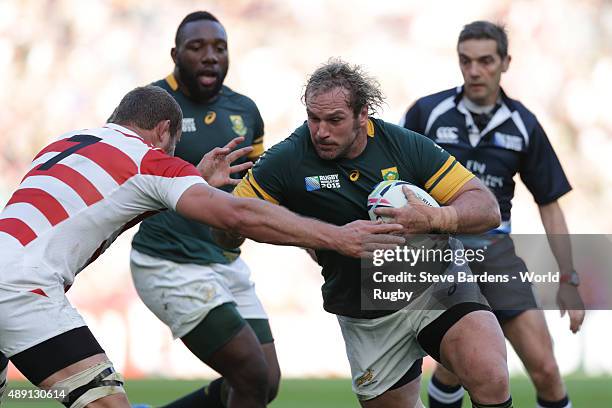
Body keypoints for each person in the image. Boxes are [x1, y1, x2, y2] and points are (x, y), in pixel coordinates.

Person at [0, 85, 405, 408]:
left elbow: (113, 202)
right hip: (21, 289)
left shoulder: (64, 144)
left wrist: (192, 180)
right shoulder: (151, 160)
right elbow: (240, 216)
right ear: (164, 131)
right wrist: (338, 237)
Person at [231, 59, 515, 408]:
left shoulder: (403, 145)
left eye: (334, 120)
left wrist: (435, 218)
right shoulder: (289, 158)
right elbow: (233, 221)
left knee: (490, 374)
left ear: (362, 114)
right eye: (313, 118)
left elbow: (486, 207)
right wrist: (328, 238)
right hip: (367, 312)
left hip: (436, 286)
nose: (320, 131)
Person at [401, 20, 585, 408]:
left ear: (506, 63)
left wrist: (568, 279)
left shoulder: (523, 125)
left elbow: (549, 205)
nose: (474, 71)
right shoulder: (427, 113)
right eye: (466, 61)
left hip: (493, 249)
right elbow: (391, 181)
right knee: (460, 364)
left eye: (485, 61)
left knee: (547, 371)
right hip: (438, 251)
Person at [129, 11, 277, 408]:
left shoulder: (245, 111)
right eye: (197, 48)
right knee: (251, 374)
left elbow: (254, 189)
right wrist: (194, 179)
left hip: (224, 260)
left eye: (219, 48)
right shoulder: (148, 107)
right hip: (169, 261)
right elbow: (127, 186)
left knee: (267, 381)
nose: (210, 56)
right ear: (176, 54)